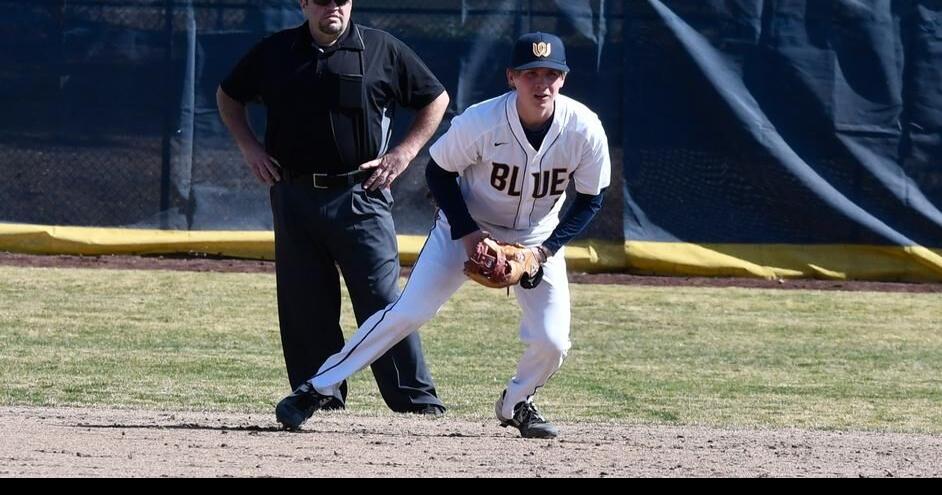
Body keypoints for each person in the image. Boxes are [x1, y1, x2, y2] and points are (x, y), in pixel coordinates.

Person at [275, 31, 611, 439]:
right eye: (530, 74)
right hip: (464, 226)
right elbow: (439, 171)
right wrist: (469, 234)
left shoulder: (584, 129)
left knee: (554, 340)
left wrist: (541, 253)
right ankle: (317, 388)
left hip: (536, 238)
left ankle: (517, 403)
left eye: (550, 74)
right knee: (407, 312)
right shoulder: (483, 121)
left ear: (563, 79)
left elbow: (591, 199)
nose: (541, 84)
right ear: (511, 77)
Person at [216, 0, 449, 415]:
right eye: (321, 0)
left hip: (361, 194)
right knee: (305, 300)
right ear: (304, 4)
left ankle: (415, 402)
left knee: (382, 299)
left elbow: (436, 98)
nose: (332, 8)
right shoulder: (277, 51)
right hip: (294, 193)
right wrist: (249, 147)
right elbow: (228, 96)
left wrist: (405, 153)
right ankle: (320, 394)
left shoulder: (380, 49)